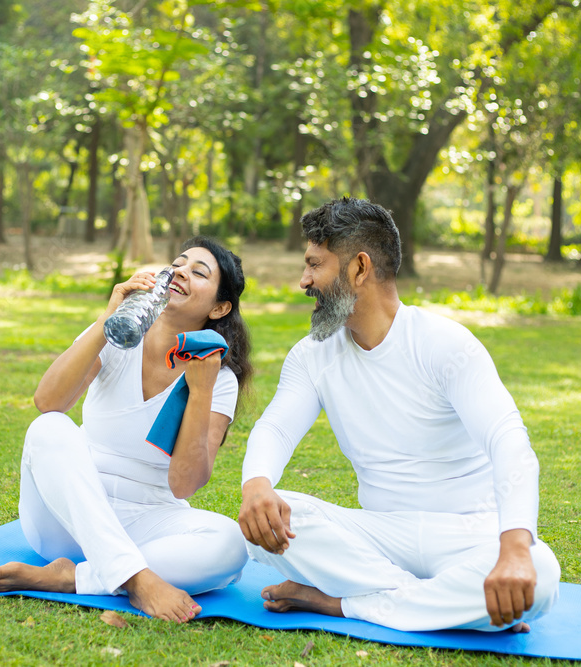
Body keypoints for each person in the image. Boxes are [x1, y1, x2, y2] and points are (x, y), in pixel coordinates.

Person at [238, 197, 560, 633]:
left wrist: (516, 548)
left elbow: (508, 442)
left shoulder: (445, 343)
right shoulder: (312, 355)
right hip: (379, 536)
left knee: (538, 575)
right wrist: (257, 485)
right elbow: (275, 427)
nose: (303, 281)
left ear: (359, 268)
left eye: (315, 265)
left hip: (468, 533)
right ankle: (446, 605)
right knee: (271, 519)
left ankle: (339, 603)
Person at [0, 236, 253, 624]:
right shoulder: (119, 334)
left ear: (219, 307)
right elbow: (49, 401)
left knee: (230, 545)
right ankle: (135, 578)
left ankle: (73, 577)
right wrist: (107, 318)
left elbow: (184, 485)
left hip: (148, 517)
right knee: (50, 428)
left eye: (199, 272)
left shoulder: (219, 379)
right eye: (178, 263)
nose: (180, 271)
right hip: (66, 517)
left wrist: (201, 390)